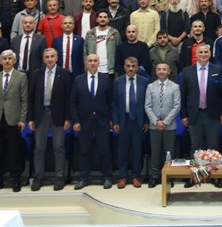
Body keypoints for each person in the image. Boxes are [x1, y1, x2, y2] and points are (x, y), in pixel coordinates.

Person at [179, 44, 222, 188]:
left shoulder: (218, 70)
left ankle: (215, 177)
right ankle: (194, 176)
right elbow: (183, 96)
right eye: (201, 52)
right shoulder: (187, 71)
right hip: (195, 115)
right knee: (195, 147)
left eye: (206, 52)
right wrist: (184, 115)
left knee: (213, 147)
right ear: (196, 54)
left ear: (210, 53)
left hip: (213, 115)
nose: (203, 54)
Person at [28, 47, 72, 191]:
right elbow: (31, 97)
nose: (50, 59)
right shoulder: (36, 74)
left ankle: (59, 177)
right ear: (43, 59)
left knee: (58, 147)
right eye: (47, 57)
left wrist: (68, 118)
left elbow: (69, 97)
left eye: (52, 56)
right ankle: (38, 177)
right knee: (39, 147)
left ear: (57, 58)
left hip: (58, 115)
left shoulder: (65, 74)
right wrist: (30, 118)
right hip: (40, 114)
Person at [0, 50, 29, 193]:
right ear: (0, 61)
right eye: (4, 59)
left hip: (14, 118)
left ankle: (16, 179)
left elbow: (24, 100)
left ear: (14, 61)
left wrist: (22, 119)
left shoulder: (21, 76)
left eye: (10, 58)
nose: (7, 61)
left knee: (14, 150)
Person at [71, 54, 114, 190]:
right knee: (84, 150)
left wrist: (111, 119)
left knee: (105, 150)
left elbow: (111, 101)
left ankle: (107, 177)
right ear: (86, 63)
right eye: (90, 61)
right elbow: (73, 103)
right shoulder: (78, 80)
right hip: (84, 121)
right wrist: (75, 121)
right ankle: (84, 178)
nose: (93, 63)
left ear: (99, 63)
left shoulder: (106, 79)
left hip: (102, 120)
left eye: (95, 61)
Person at [112, 57, 149, 188]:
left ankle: (136, 176)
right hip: (123, 119)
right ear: (124, 67)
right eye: (128, 66)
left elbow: (147, 103)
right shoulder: (117, 82)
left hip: (138, 120)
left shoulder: (145, 82)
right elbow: (114, 103)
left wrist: (146, 120)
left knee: (137, 149)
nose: (131, 68)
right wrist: (115, 121)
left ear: (137, 67)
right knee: (122, 149)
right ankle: (122, 176)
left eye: (133, 66)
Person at [144, 61, 181, 188]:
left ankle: (169, 175)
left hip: (169, 125)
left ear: (169, 71)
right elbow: (147, 106)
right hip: (154, 125)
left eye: (164, 69)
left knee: (169, 151)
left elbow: (177, 106)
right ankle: (154, 176)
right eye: (159, 69)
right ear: (156, 71)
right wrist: (156, 121)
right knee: (154, 151)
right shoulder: (150, 87)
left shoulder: (175, 87)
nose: (161, 71)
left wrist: (165, 122)